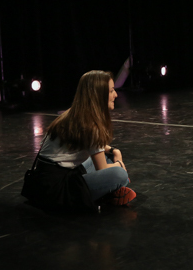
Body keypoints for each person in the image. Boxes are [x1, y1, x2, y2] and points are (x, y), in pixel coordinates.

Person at [33, 70, 135, 208]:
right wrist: (120, 164)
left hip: (43, 181)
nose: (116, 95)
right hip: (57, 188)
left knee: (106, 157)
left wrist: (113, 150)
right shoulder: (91, 124)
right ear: (99, 95)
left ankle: (108, 191)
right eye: (111, 91)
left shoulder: (76, 114)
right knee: (119, 175)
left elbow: (90, 144)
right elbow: (102, 169)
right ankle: (107, 192)